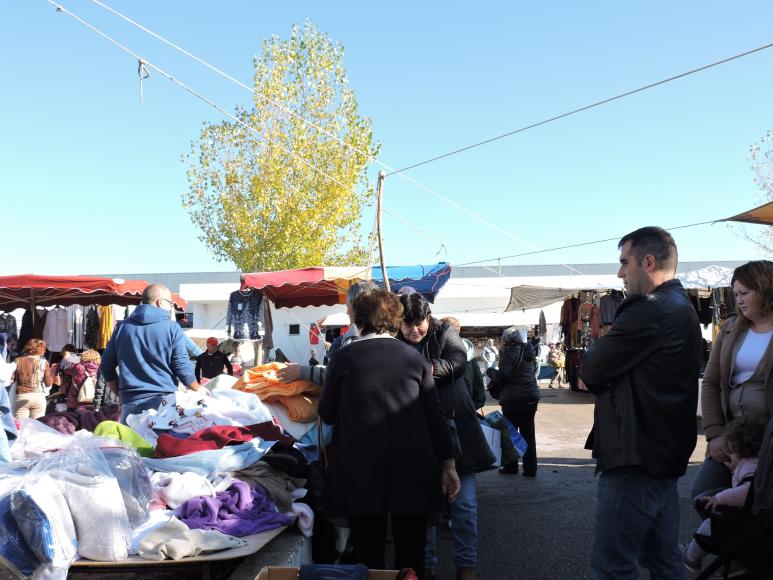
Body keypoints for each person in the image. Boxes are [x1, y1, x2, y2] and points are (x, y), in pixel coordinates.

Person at [580, 226, 701, 579]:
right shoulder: (679, 306)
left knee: (612, 565)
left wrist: (601, 354)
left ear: (648, 262)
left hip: (637, 458)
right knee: (664, 561)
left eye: (624, 262)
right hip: (659, 454)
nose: (620, 273)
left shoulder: (650, 308)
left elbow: (593, 367)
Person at [319, 290, 460, 575]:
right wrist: (448, 465)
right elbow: (436, 417)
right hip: (413, 469)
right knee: (411, 554)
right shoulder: (415, 360)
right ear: (395, 321)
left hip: (359, 471)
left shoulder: (343, 359)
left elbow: (328, 414)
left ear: (359, 321)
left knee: (368, 554)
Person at [398, 293, 495, 580]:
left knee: (464, 505)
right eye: (407, 325)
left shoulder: (444, 332)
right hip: (417, 432)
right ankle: (425, 567)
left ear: (428, 317)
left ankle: (466, 567)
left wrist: (424, 370)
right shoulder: (393, 340)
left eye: (419, 323)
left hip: (457, 428)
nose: (414, 330)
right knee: (425, 509)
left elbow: (458, 361)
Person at [693, 260, 773, 502]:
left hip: (769, 440)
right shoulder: (729, 329)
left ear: (765, 289)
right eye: (735, 293)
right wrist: (714, 434)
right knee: (703, 495)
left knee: (761, 504)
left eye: (744, 293)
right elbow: (710, 383)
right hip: (730, 437)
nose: (737, 299)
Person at [100, 284, 201, 423]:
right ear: (160, 302)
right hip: (163, 403)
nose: (172, 307)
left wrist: (119, 393)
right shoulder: (172, 327)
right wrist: (198, 388)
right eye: (171, 303)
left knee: (131, 444)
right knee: (160, 444)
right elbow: (181, 366)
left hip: (130, 404)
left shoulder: (121, 328)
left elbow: (106, 366)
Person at [683, 415, 766, 573]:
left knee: (709, 526)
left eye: (731, 453)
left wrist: (718, 499)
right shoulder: (750, 462)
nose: (729, 457)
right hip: (750, 518)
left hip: (746, 520)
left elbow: (746, 491)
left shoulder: (749, 468)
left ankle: (691, 558)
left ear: (740, 451)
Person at [277, 280, 378, 386]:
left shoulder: (363, 341)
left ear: (358, 307)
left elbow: (338, 375)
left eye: (348, 307)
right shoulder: (346, 339)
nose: (347, 312)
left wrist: (302, 371)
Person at [486, 327, 540, 476]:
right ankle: (530, 469)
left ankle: (511, 467)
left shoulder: (510, 352)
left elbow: (503, 376)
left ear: (506, 339)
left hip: (513, 399)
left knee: (510, 434)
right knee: (528, 434)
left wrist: (490, 372)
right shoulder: (528, 350)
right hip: (530, 396)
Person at [442, 317, 487, 411]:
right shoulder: (468, 349)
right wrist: (475, 404)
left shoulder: (438, 351)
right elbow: (478, 380)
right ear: (458, 330)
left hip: (448, 408)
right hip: (467, 405)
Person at [12, 338, 52, 419]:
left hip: (21, 396)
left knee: (20, 427)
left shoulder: (18, 361)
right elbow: (48, 383)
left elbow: (12, 379)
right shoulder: (44, 362)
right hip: (38, 396)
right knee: (37, 426)